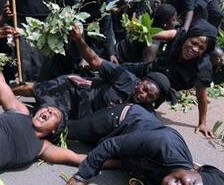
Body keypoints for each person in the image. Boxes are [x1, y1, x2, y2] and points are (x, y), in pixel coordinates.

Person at [60, 103, 224, 185]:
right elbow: (111, 145)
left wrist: (138, 183)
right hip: (120, 121)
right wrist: (81, 177)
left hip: (129, 151)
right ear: (196, 169)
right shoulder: (166, 145)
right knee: (63, 130)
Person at [12, 24, 178, 120]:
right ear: (141, 81)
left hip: (80, 114)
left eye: (150, 97)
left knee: (35, 116)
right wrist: (78, 39)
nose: (143, 96)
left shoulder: (145, 112)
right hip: (76, 91)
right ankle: (5, 92)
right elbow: (94, 61)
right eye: (145, 89)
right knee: (38, 89)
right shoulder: (125, 77)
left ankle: (12, 105)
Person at [121, 19, 218, 138]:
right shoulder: (178, 36)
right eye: (193, 43)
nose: (195, 49)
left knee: (136, 107)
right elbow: (156, 34)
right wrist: (141, 31)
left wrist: (202, 123)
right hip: (150, 69)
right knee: (119, 71)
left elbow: (201, 97)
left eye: (201, 48)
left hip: (160, 87)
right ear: (187, 37)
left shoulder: (202, 68)